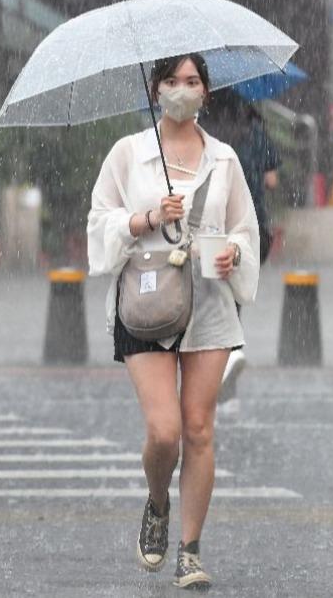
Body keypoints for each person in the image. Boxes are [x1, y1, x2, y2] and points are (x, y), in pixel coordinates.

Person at [87, 53, 260, 590]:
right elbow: (99, 223)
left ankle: (190, 549)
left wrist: (233, 254)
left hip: (208, 303)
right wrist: (145, 218)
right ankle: (158, 500)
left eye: (192, 81)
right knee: (165, 433)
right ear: (155, 89)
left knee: (199, 429)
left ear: (207, 92)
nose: (182, 90)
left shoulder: (224, 159)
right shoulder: (128, 154)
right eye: (171, 81)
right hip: (146, 302)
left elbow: (245, 230)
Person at [200, 91, 281, 408]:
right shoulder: (255, 129)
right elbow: (272, 179)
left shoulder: (201, 133)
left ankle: (219, 371)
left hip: (213, 230)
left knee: (210, 304)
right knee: (233, 302)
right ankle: (228, 365)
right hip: (252, 230)